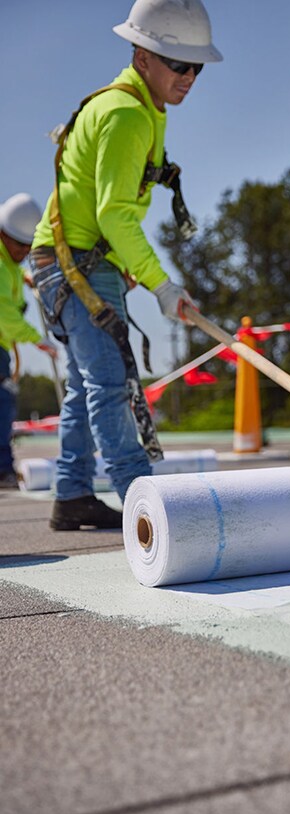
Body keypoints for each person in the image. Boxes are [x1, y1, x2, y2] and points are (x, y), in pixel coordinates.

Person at [30, 0, 222, 530]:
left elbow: (107, 207)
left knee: (87, 386)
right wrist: (162, 285)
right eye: (179, 65)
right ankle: (148, 507)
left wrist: (134, 270)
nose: (190, 78)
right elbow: (114, 212)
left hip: (77, 264)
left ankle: (70, 496)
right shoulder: (125, 114)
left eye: (197, 67)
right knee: (110, 384)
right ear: (142, 56)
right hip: (74, 267)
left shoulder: (145, 108)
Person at [0, 193, 58, 489]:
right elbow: (4, 312)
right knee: (2, 405)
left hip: (2, 346)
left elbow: (10, 271)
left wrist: (24, 276)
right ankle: (2, 470)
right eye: (20, 245)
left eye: (29, 246)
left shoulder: (7, 260)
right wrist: (38, 339)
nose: (25, 252)